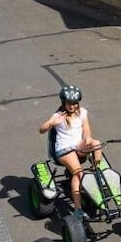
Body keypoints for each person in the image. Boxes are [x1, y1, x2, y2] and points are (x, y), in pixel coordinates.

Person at [38, 85, 103, 220]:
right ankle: (78, 209)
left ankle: (96, 172)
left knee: (97, 144)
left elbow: (86, 130)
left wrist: (88, 139)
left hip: (78, 146)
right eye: (69, 104)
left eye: (75, 103)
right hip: (63, 150)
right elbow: (41, 129)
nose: (73, 106)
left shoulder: (82, 112)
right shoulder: (58, 115)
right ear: (64, 103)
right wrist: (52, 123)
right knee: (78, 173)